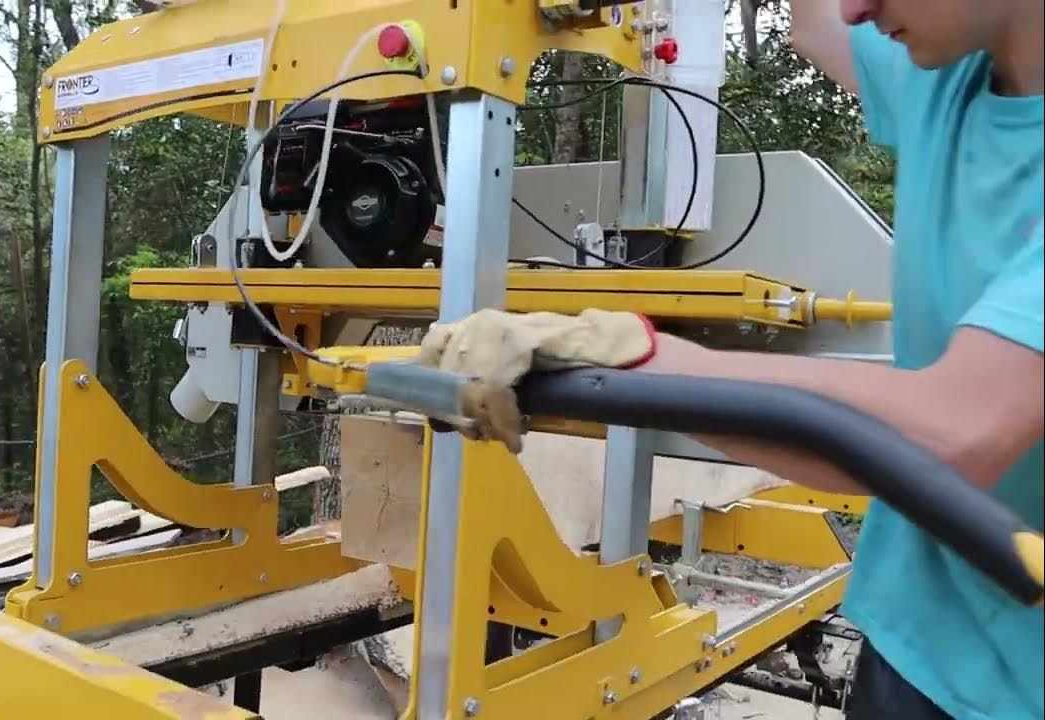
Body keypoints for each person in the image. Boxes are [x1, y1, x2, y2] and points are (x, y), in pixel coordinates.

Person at [419, 0, 1043, 717]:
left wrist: (635, 353)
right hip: (914, 646)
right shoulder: (946, 70)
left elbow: (956, 433)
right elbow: (812, 25)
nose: (856, 7)